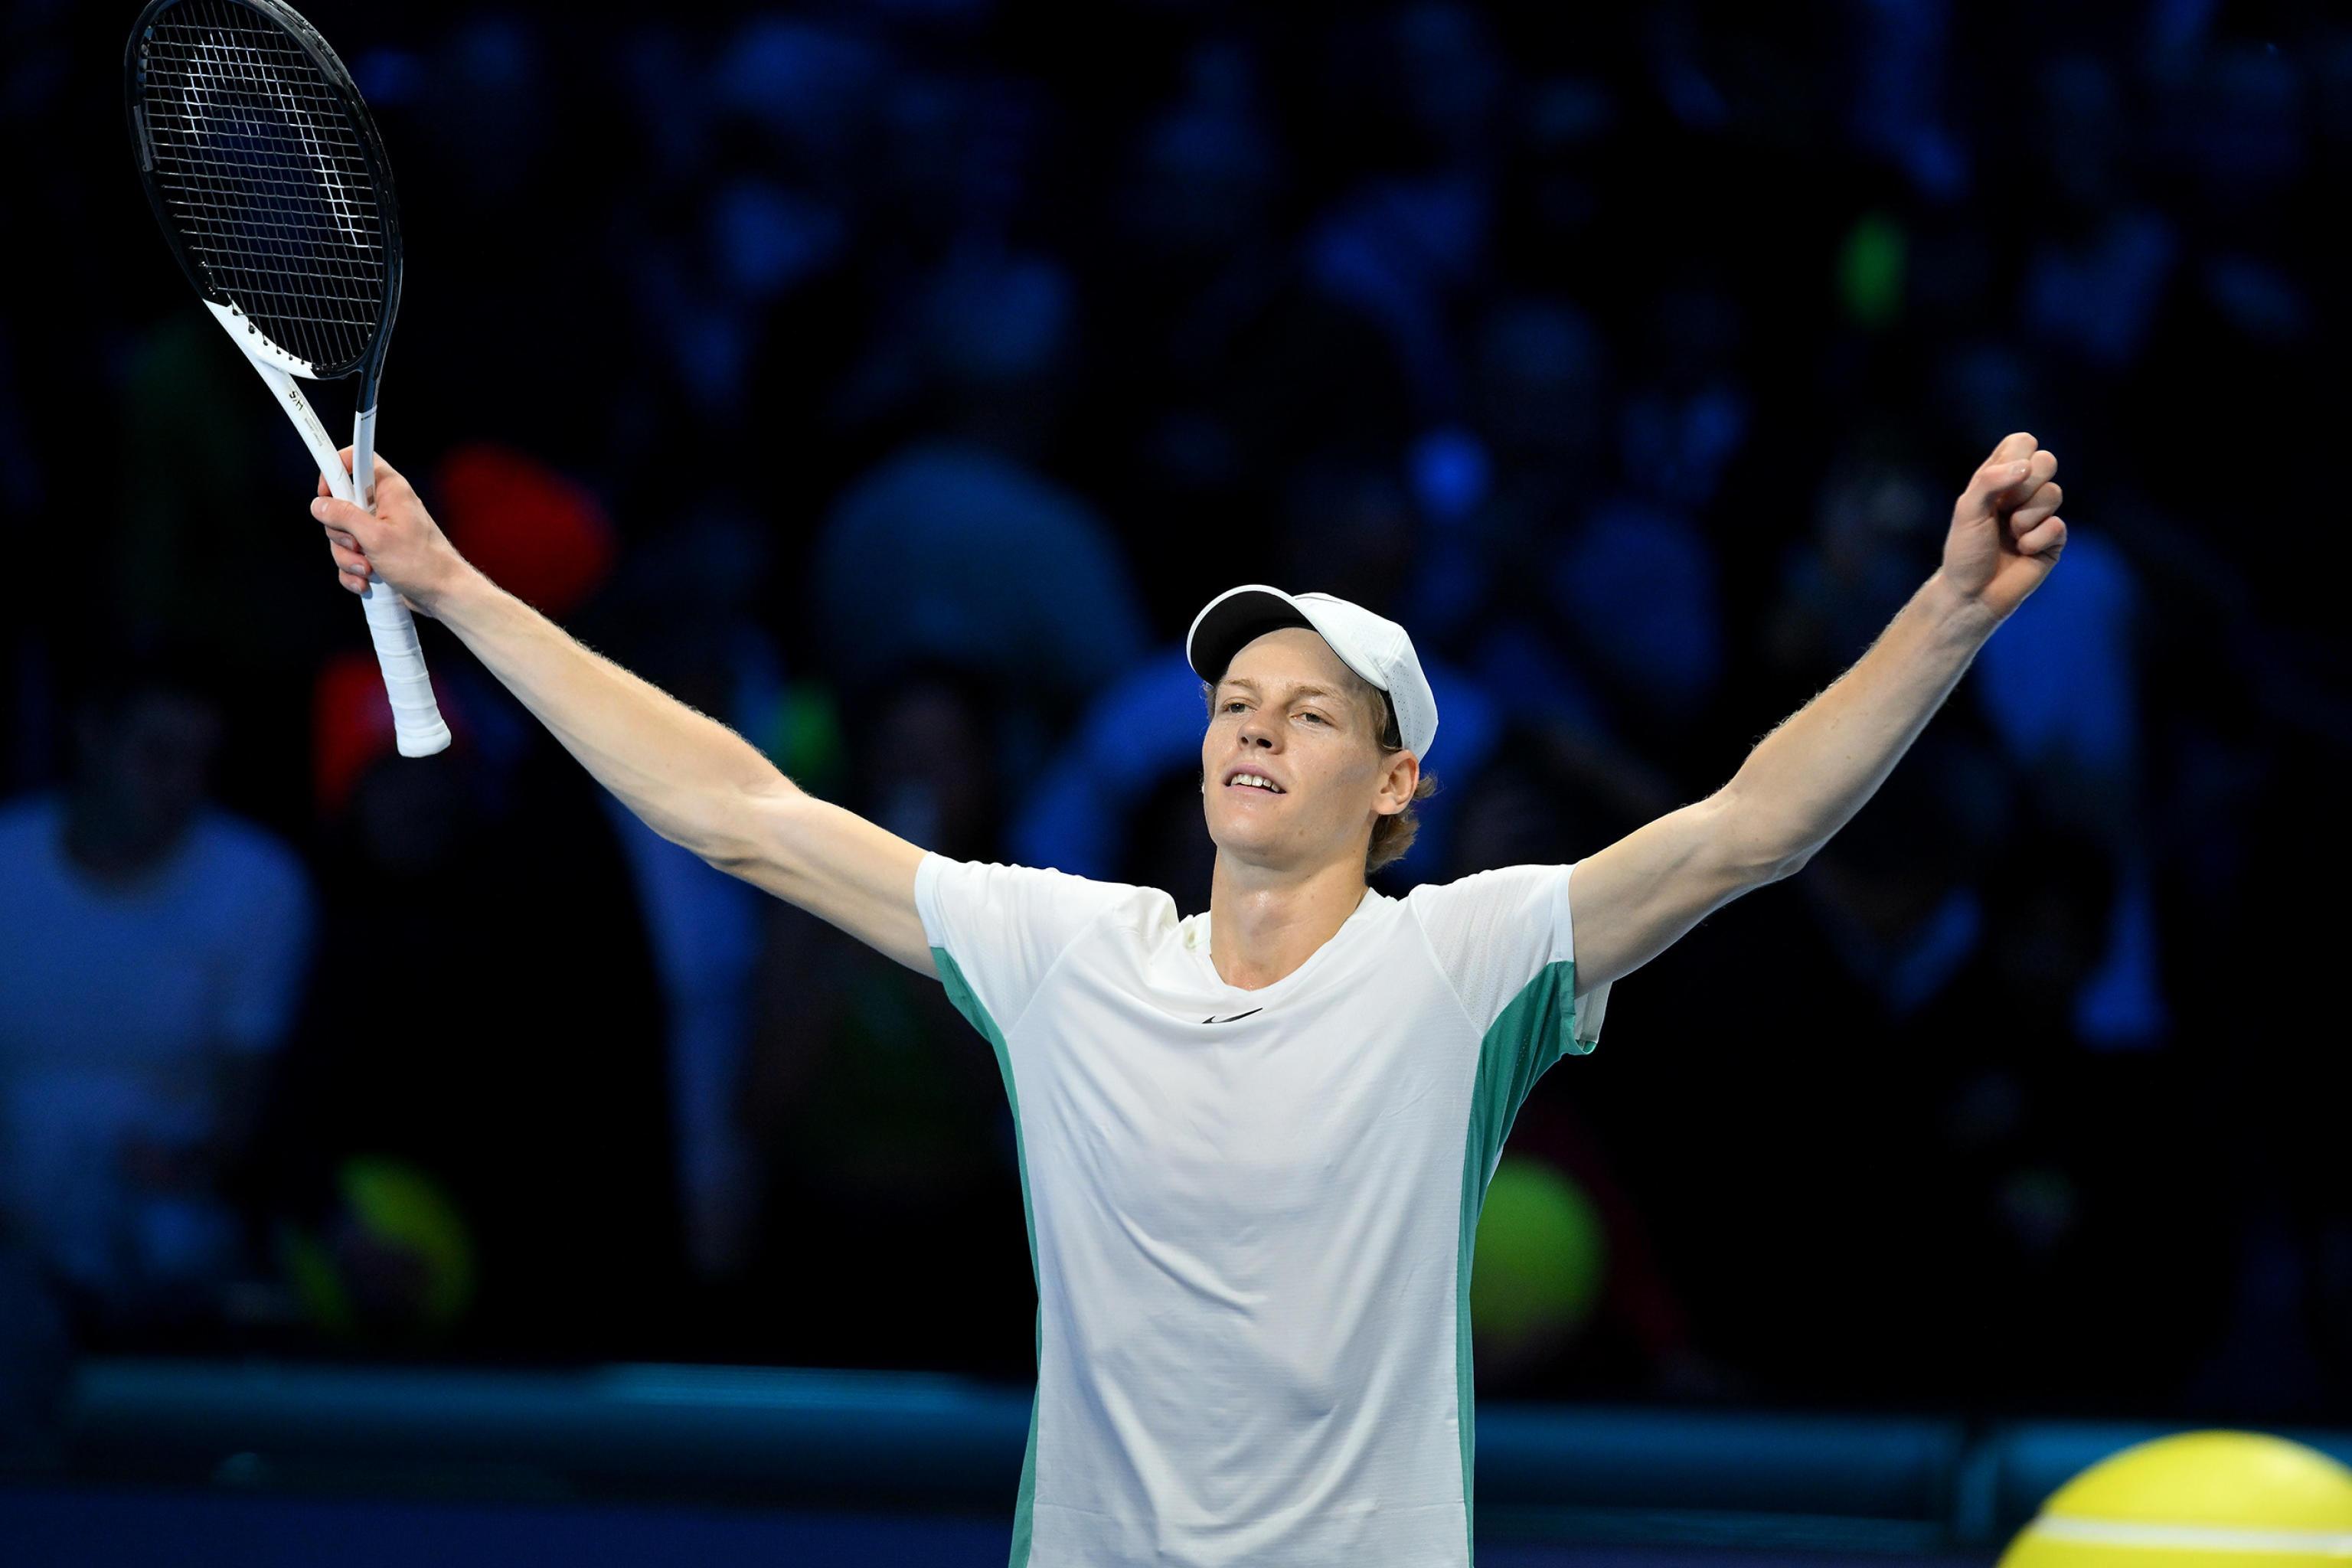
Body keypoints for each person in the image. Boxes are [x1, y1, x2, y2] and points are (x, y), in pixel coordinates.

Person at [305, 432, 2066, 1568]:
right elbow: (742, 814)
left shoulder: (1463, 963)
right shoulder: (1068, 951)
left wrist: (1950, 612)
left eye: (1311, 710)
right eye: (1236, 699)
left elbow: (1750, 828)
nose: (1253, 725)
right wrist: (458, 590)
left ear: (1397, 784)